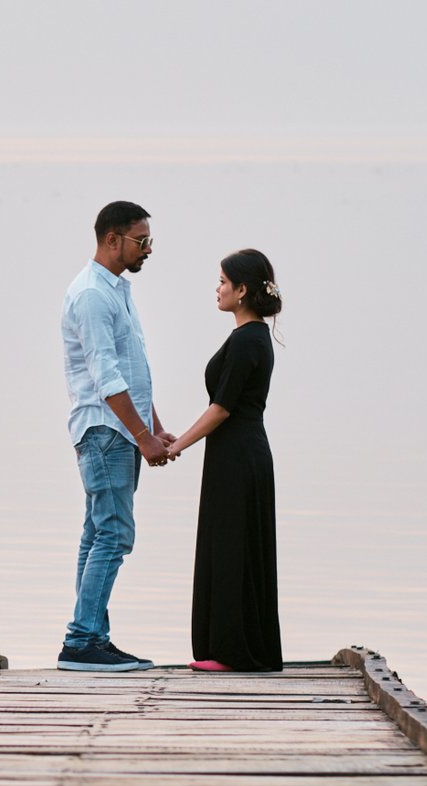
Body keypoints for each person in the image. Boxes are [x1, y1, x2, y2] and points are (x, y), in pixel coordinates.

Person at [57, 201, 176, 672]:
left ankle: (91, 636)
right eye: (141, 241)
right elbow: (105, 377)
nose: (148, 249)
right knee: (114, 533)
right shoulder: (91, 295)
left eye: (149, 241)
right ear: (112, 239)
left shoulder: (116, 289)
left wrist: (155, 427)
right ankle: (81, 640)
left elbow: (132, 372)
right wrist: (143, 436)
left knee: (98, 533)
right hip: (105, 431)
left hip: (119, 429)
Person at [164, 249, 284, 672]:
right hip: (235, 452)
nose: (217, 289)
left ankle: (234, 651)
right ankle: (232, 648)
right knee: (229, 544)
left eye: (222, 282)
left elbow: (221, 408)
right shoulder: (250, 336)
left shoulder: (249, 339)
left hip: (238, 454)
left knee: (233, 548)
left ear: (242, 289)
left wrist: (175, 446)